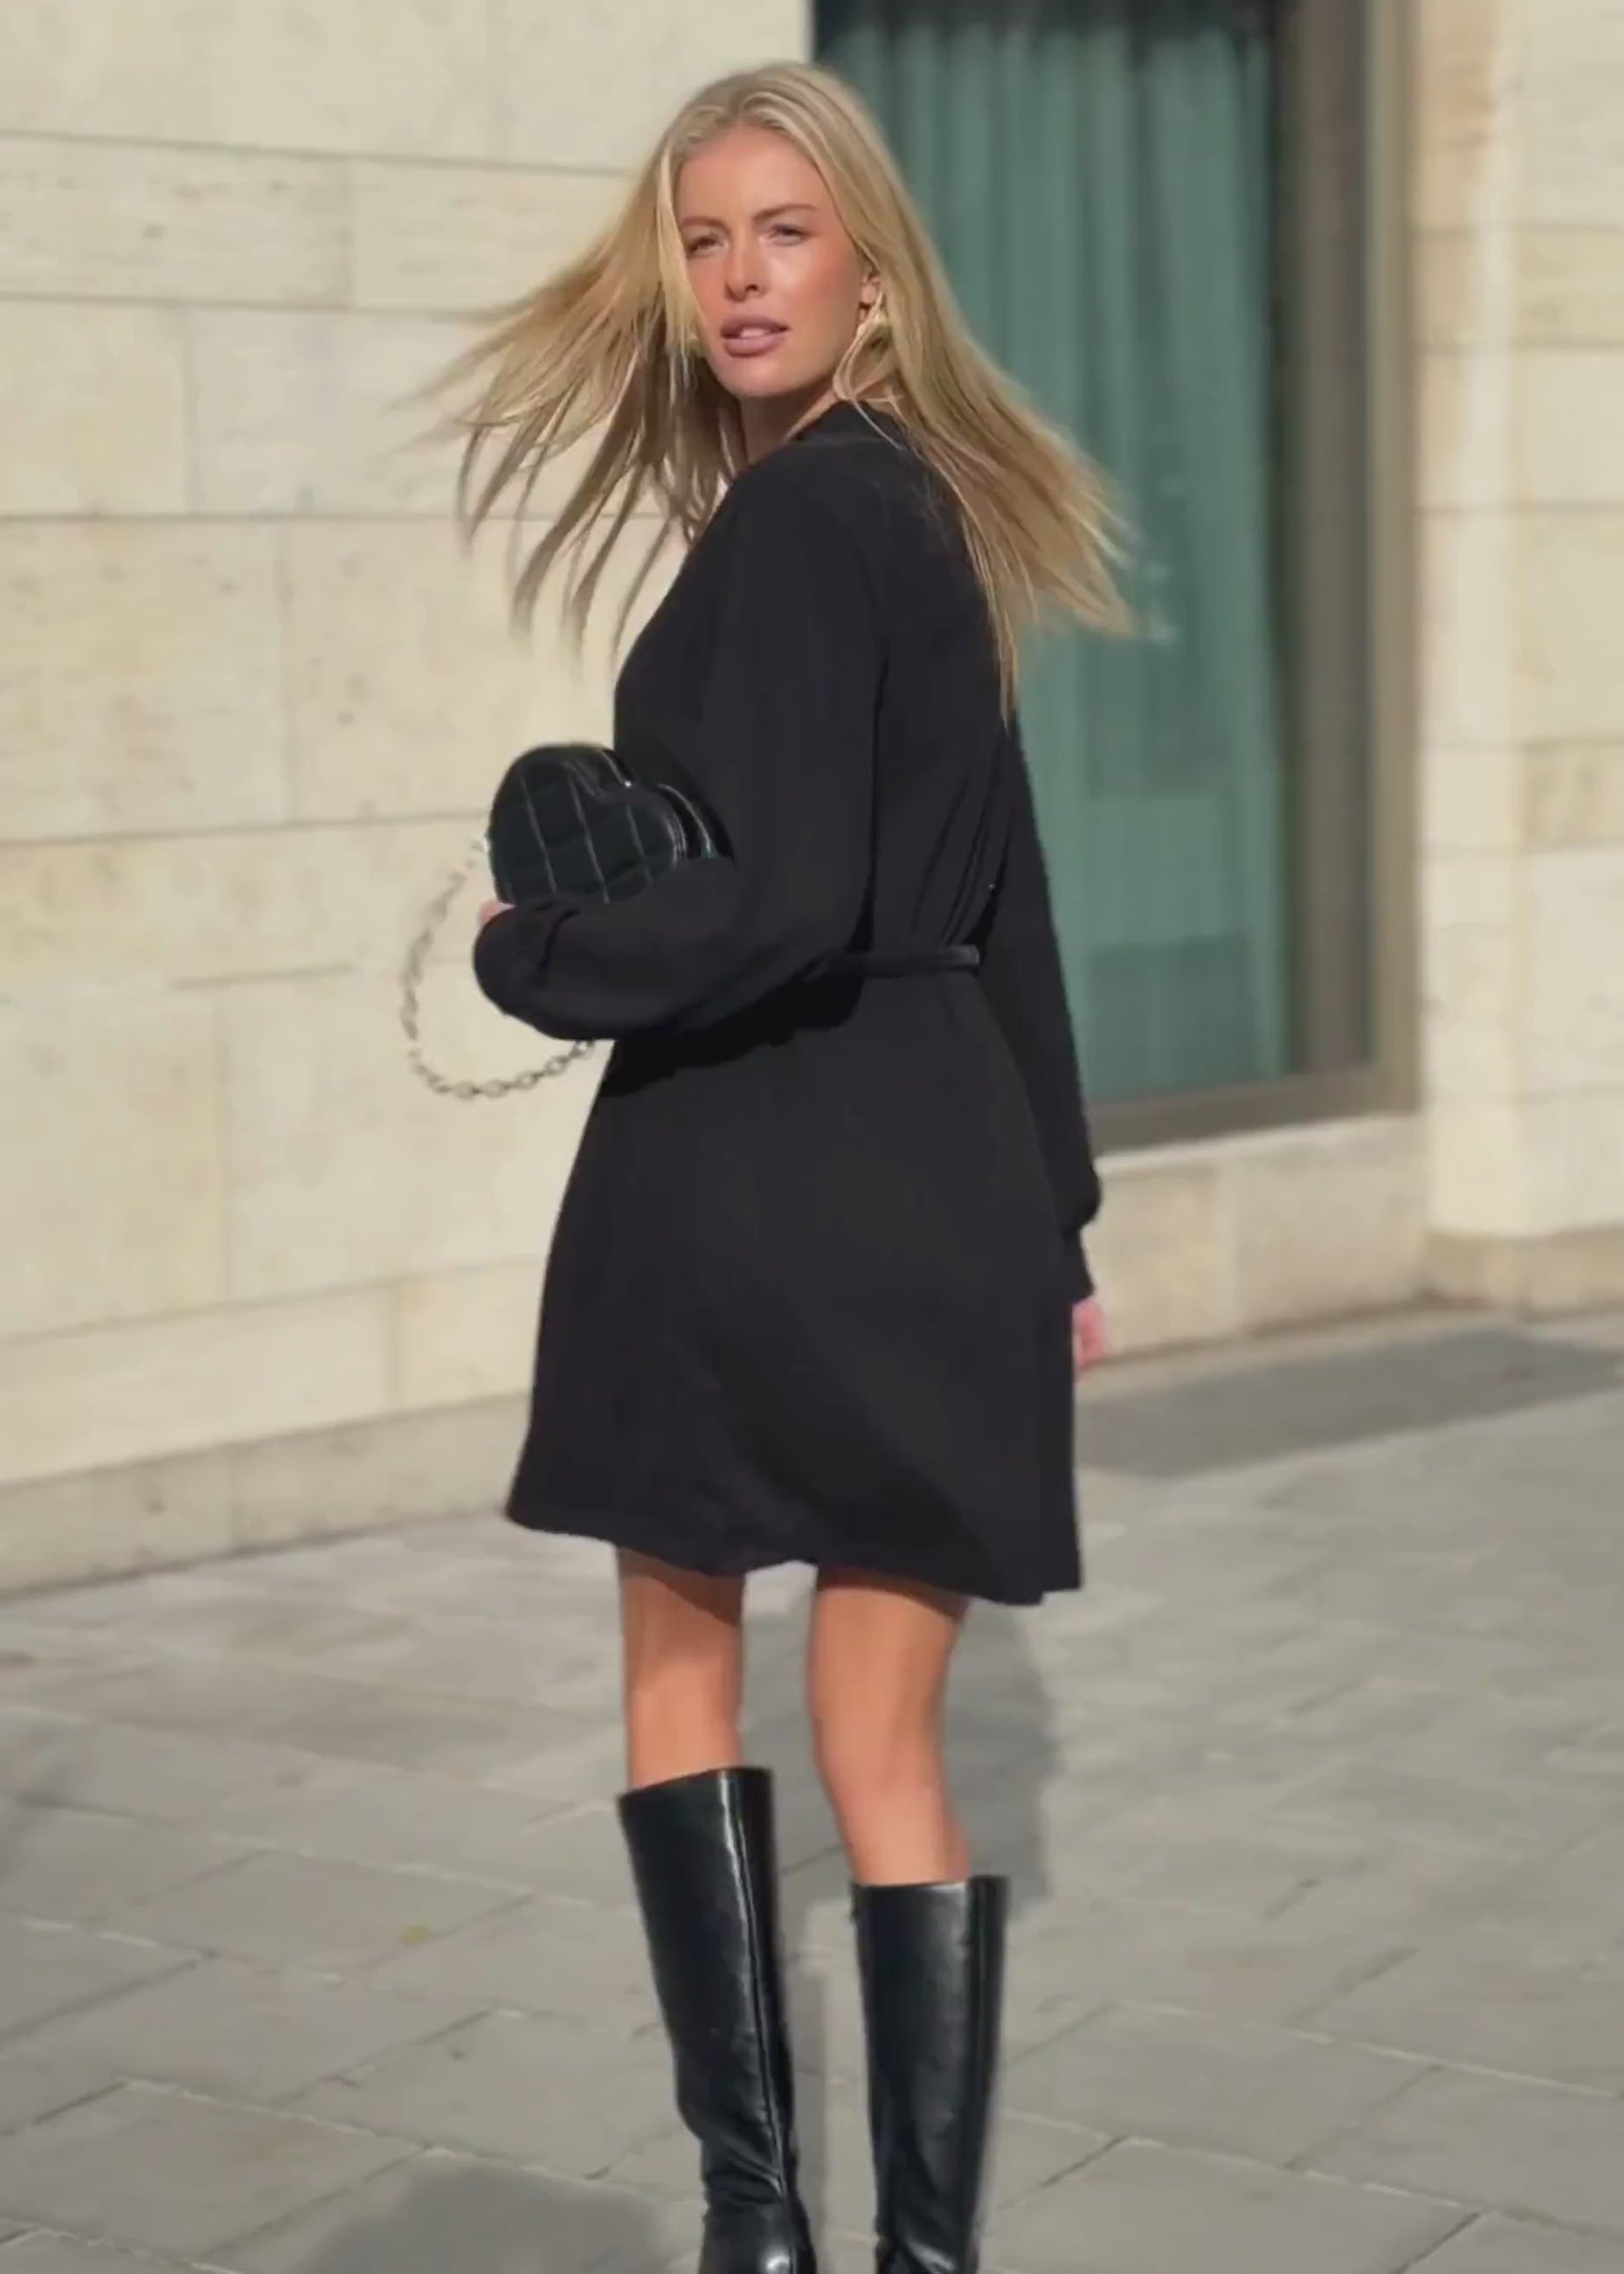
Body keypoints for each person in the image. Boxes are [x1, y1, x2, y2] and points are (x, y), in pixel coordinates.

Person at [439, 59, 1118, 2274]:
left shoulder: (810, 518)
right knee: (886, 1752)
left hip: (737, 1165)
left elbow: (783, 897)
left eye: (785, 232)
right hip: (936, 1173)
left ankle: (755, 2222)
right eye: (705, 237)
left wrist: (535, 956)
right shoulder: (936, 514)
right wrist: (1056, 1224)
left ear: (869, 271)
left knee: (679, 1677)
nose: (740, 276)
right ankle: (922, 2254)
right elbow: (1005, 910)